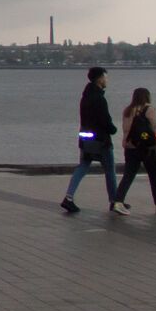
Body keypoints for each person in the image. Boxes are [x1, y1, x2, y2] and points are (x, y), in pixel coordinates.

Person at [64, 67, 123, 214]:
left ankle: (68, 197)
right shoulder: (99, 99)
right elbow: (104, 120)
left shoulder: (85, 97)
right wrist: (113, 130)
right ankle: (114, 201)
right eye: (105, 77)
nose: (107, 80)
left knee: (83, 165)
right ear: (99, 79)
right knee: (109, 169)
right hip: (101, 140)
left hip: (85, 137)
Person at [117, 87, 156, 213]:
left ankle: (118, 202)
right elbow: (155, 129)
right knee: (155, 175)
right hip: (148, 148)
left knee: (128, 175)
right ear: (147, 96)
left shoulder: (127, 110)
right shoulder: (149, 109)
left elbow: (125, 130)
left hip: (131, 147)